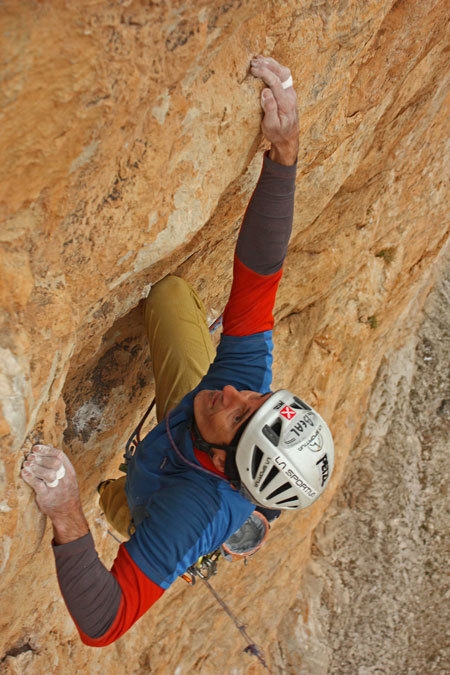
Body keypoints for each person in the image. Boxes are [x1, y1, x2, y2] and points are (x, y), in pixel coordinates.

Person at [21, 56, 334, 646]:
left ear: (224, 462)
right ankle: (256, 518)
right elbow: (261, 272)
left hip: (167, 502)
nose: (237, 391)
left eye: (242, 412)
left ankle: (223, 529)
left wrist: (65, 512)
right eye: (258, 396)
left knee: (116, 503)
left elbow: (105, 622)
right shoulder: (234, 389)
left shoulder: (189, 513)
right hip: (184, 432)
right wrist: (286, 153)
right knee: (168, 296)